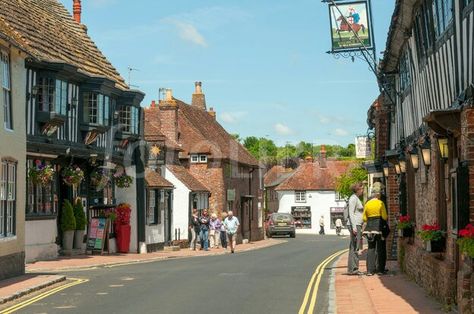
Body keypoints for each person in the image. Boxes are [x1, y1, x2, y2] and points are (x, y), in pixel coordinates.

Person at [362, 192, 388, 276]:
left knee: (371, 248)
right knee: (381, 249)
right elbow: (384, 217)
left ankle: (370, 270)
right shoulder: (380, 203)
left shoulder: (367, 204)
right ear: (378, 196)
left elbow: (364, 218)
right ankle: (380, 269)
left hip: (369, 229)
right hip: (379, 228)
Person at [347, 182, 364, 275]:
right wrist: (354, 227)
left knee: (353, 247)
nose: (363, 190)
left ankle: (352, 269)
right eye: (362, 188)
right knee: (355, 247)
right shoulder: (353, 198)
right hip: (355, 225)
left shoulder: (356, 198)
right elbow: (351, 213)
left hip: (357, 224)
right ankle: (353, 269)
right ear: (358, 189)